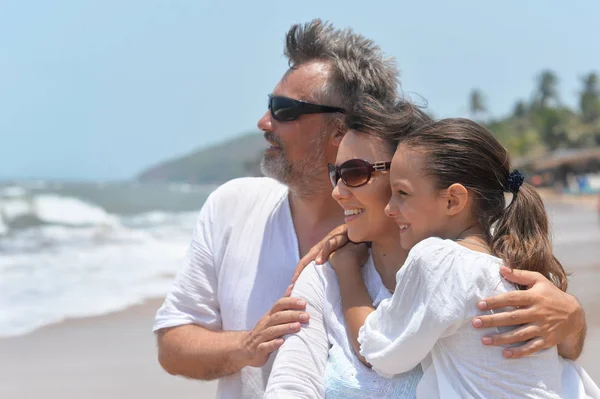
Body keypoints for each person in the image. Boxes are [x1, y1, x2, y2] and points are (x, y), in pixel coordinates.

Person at [153, 20, 587, 399]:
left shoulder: (455, 263)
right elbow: (177, 346)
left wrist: (572, 322)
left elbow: (547, 368)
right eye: (335, 173)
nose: (264, 122)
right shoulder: (297, 253)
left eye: (283, 110)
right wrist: (248, 344)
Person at [264, 98, 590, 398]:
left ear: (450, 196)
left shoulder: (464, 261)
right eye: (335, 173)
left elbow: (377, 348)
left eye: (354, 173)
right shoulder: (501, 259)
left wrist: (572, 320)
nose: (337, 191)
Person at [348, 117, 598, 397]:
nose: (389, 208)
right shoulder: (514, 259)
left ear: (453, 200)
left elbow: (381, 352)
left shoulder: (440, 261)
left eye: (402, 193)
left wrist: (345, 270)